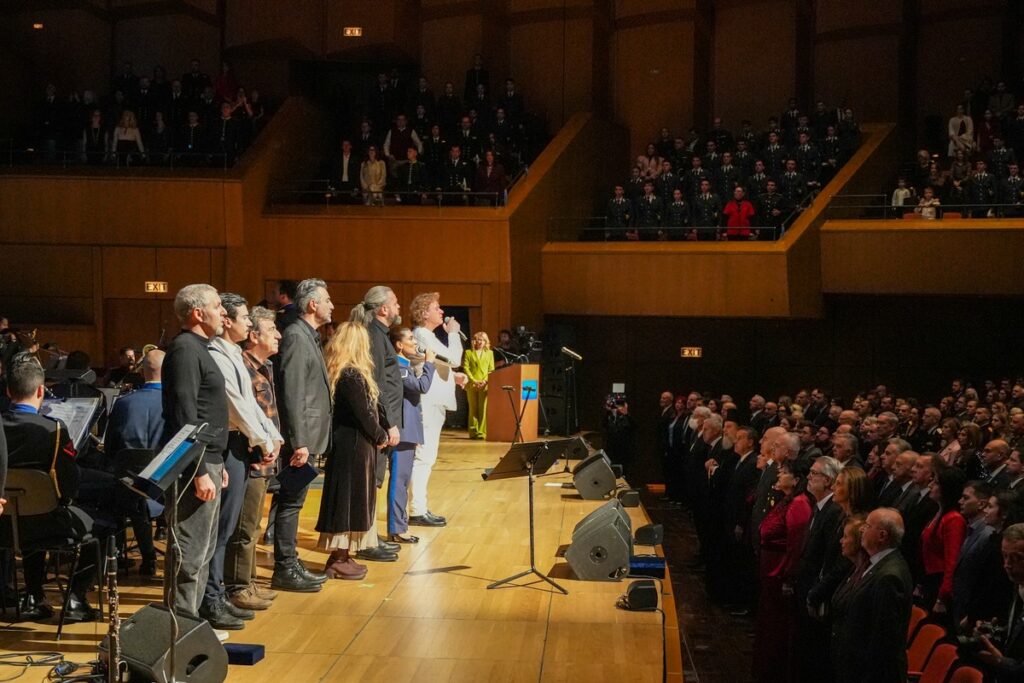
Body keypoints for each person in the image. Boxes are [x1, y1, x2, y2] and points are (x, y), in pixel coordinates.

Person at [202, 293, 282, 630]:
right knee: (222, 529)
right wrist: (263, 438)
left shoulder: (233, 353)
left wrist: (271, 435)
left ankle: (218, 593)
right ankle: (213, 596)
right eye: (245, 317)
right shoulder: (215, 354)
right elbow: (235, 405)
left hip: (241, 442)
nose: (249, 323)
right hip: (229, 442)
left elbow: (251, 404)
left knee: (229, 527)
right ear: (228, 321)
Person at [1, 356, 102, 622]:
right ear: (41, 391)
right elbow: (69, 486)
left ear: (8, 391)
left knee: (29, 515)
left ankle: (34, 595)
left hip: (4, 526)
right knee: (102, 527)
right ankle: (76, 599)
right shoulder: (54, 429)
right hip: (46, 524)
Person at [160, 284, 230, 620]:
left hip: (208, 459)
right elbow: (184, 414)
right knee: (188, 552)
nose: (223, 312)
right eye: (218, 306)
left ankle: (191, 623)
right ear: (198, 313)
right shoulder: (185, 350)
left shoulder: (200, 348)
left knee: (203, 550)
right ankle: (179, 627)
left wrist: (216, 461)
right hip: (192, 466)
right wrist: (199, 469)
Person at [317, 322, 390, 580]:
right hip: (353, 447)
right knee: (347, 501)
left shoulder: (347, 373)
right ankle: (338, 558)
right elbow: (363, 415)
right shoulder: (351, 376)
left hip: (354, 446)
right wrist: (380, 435)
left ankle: (343, 555)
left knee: (352, 500)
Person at [273, 278, 333, 591]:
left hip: (308, 436)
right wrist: (299, 442)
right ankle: (284, 567)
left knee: (294, 502)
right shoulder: (296, 336)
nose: (331, 305)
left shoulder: (308, 335)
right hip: (301, 439)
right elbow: (292, 392)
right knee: (290, 503)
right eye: (327, 300)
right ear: (312, 304)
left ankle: (290, 561)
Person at [224, 306, 282, 611]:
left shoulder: (264, 367)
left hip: (265, 455)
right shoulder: (243, 367)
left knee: (253, 526)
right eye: (271, 330)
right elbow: (244, 415)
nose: (278, 335)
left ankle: (249, 581)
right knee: (244, 528)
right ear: (254, 336)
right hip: (252, 457)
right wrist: (261, 448)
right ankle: (238, 587)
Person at [348, 286, 403, 563]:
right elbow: (377, 384)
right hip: (378, 422)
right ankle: (365, 540)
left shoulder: (380, 334)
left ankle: (370, 533)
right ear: (383, 309)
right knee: (370, 482)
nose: (398, 307)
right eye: (395, 303)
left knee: (374, 481)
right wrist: (389, 423)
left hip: (382, 420)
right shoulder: (373, 335)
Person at [829, 508, 913, 683]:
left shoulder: (889, 576)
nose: (862, 530)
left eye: (867, 526)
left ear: (882, 536)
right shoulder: (876, 564)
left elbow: (882, 639)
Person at [104, 348, 166, 575]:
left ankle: (118, 555)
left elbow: (110, 449)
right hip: (164, 484)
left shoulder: (123, 403)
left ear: (141, 372)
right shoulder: (174, 402)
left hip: (128, 483)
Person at [409, 292, 467, 527]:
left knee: (427, 457)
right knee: (423, 457)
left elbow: (437, 364)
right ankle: (417, 510)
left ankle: (420, 507)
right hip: (427, 403)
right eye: (436, 308)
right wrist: (453, 333)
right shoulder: (421, 335)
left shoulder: (427, 336)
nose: (442, 311)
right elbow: (453, 358)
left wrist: (453, 376)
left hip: (433, 402)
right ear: (424, 313)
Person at [753, 458, 813, 683]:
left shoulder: (799, 504)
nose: (778, 475)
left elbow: (795, 546)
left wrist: (787, 576)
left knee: (777, 627)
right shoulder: (786, 499)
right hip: (770, 568)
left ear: (796, 480)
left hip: (779, 572)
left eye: (784, 472)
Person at [388, 327, 435, 544]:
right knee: (399, 481)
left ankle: (400, 525)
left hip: (409, 431)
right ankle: (397, 528)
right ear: (399, 345)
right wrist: (429, 364)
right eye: (410, 339)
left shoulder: (405, 365)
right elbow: (422, 386)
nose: (415, 342)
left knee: (403, 480)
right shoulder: (399, 367)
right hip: (403, 432)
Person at [919, 465, 967, 616]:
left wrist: (942, 596)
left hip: (938, 583)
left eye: (936, 482)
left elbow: (951, 562)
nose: (930, 485)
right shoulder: (939, 512)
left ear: (947, 488)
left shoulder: (954, 519)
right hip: (929, 579)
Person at [462, 331, 494, 440]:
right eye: (477, 339)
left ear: (485, 341)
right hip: (472, 384)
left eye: (481, 340)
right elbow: (466, 367)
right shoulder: (468, 352)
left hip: (484, 385)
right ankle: (473, 432)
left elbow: (491, 369)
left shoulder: (490, 353)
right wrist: (473, 380)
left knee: (483, 409)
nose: (479, 341)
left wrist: (485, 381)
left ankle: (481, 432)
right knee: (473, 409)